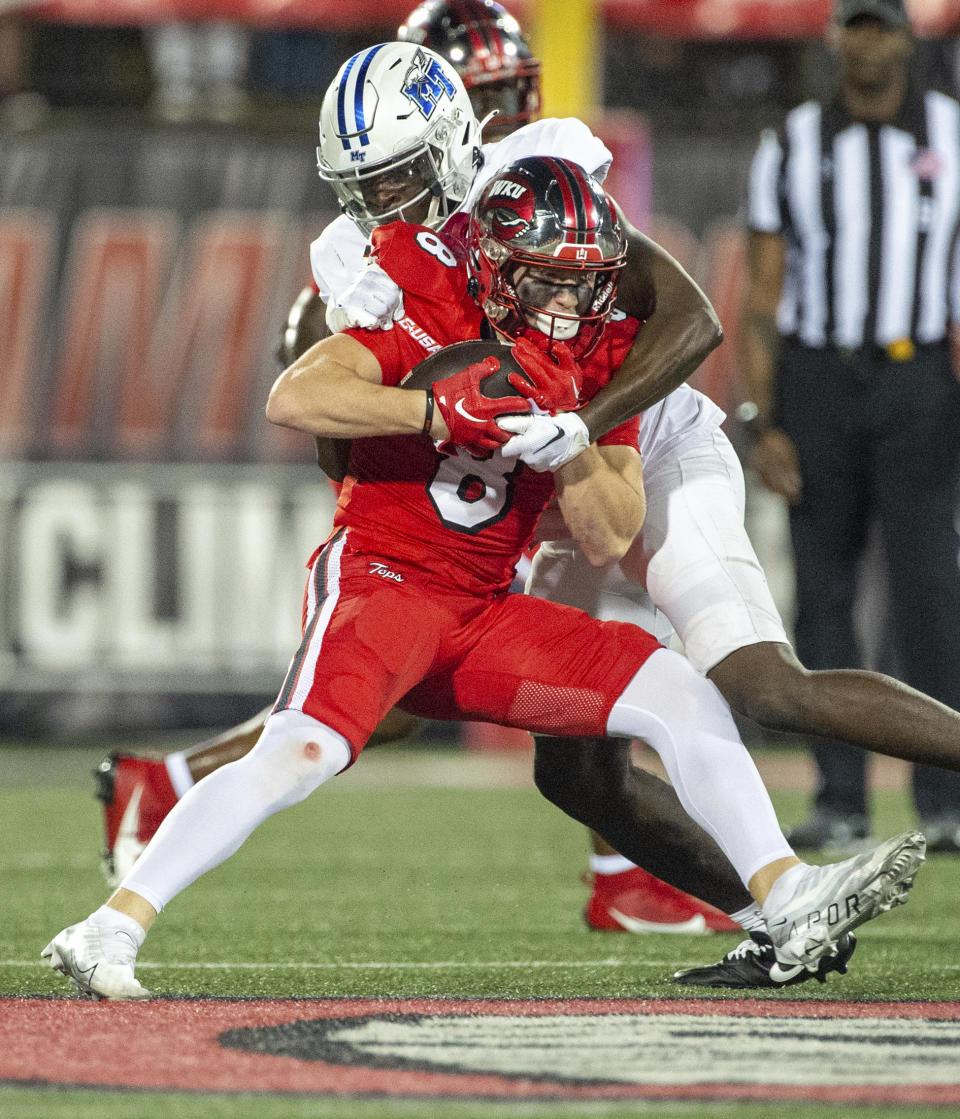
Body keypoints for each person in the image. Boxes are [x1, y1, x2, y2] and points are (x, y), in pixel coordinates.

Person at [95, 21, 960, 990]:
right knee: (574, 769)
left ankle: (798, 881)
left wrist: (580, 422)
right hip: (522, 476)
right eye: (363, 184)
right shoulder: (366, 255)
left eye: (395, 176)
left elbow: (688, 319)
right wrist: (431, 419)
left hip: (631, 430)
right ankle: (776, 914)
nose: (378, 203)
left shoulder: (544, 172)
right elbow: (323, 409)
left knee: (754, 682)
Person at [740, 0, 960, 856]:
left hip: (918, 377)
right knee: (822, 593)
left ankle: (944, 798)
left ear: (908, 38)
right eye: (854, 27)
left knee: (930, 594)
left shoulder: (951, 131)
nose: (868, 43)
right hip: (818, 378)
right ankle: (840, 798)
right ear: (835, 40)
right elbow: (761, 298)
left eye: (881, 26)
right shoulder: (793, 142)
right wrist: (763, 419)